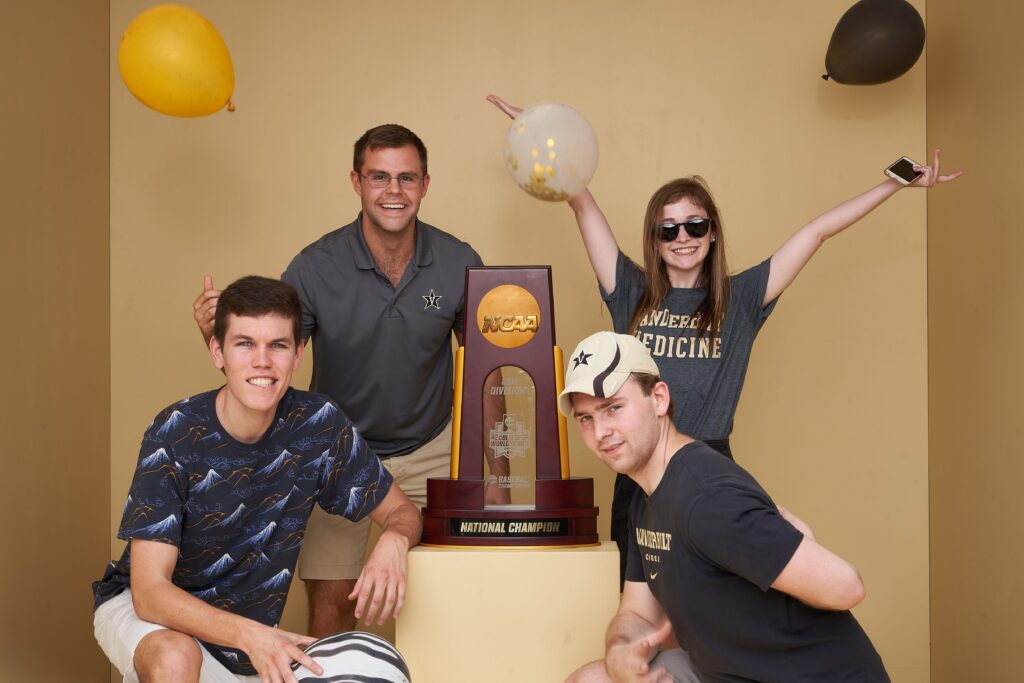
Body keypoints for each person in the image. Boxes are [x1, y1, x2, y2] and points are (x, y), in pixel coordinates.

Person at [489, 90, 961, 586]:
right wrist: (544, 134)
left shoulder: (741, 299)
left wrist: (895, 183)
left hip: (708, 469)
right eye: (667, 230)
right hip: (639, 473)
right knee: (637, 603)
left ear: (712, 232)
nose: (683, 238)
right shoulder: (630, 292)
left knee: (713, 597)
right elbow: (581, 205)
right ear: (654, 241)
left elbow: (817, 232)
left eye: (695, 225)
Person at [192, 124, 507, 635]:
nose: (393, 190)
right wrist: (220, 335)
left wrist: (501, 476)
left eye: (407, 178)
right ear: (356, 181)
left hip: (434, 448)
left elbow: (489, 373)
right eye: (379, 176)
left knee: (444, 610)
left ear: (425, 185)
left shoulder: (459, 262)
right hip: (337, 455)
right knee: (333, 611)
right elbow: (269, 361)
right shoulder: (314, 268)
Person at [95, 276, 421, 683]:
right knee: (176, 657)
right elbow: (150, 592)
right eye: (245, 343)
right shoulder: (175, 431)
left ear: (298, 354)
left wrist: (395, 538)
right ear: (218, 352)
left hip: (243, 647)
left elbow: (402, 511)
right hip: (151, 614)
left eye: (278, 345)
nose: (262, 362)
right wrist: (253, 635)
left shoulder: (318, 425)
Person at [559, 331, 890, 683]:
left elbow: (847, 587)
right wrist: (620, 650)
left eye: (614, 408)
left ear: (658, 399)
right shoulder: (645, 494)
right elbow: (638, 615)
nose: (601, 431)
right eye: (586, 418)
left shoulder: (708, 500)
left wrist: (799, 543)